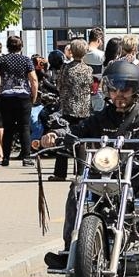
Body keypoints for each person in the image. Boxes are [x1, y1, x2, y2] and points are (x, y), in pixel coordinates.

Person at [38, 61, 139, 271]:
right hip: (106, 177)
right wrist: (55, 135)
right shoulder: (101, 118)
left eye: (125, 89)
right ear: (106, 89)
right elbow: (78, 130)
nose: (119, 94)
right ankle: (70, 251)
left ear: (137, 89)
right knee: (76, 188)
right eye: (113, 88)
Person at [50, 40, 94, 181]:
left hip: (67, 107)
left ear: (71, 51)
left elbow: (59, 86)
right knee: (82, 141)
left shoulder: (65, 68)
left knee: (63, 138)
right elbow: (90, 87)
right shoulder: (89, 69)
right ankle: (81, 172)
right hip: (84, 108)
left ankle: (60, 173)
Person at [0, 35, 39, 166]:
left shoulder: (2, 60)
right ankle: (26, 158)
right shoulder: (26, 60)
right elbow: (33, 80)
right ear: (21, 46)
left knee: (8, 128)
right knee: (24, 127)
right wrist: (33, 95)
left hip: (6, 97)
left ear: (8, 46)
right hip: (23, 97)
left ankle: (5, 158)